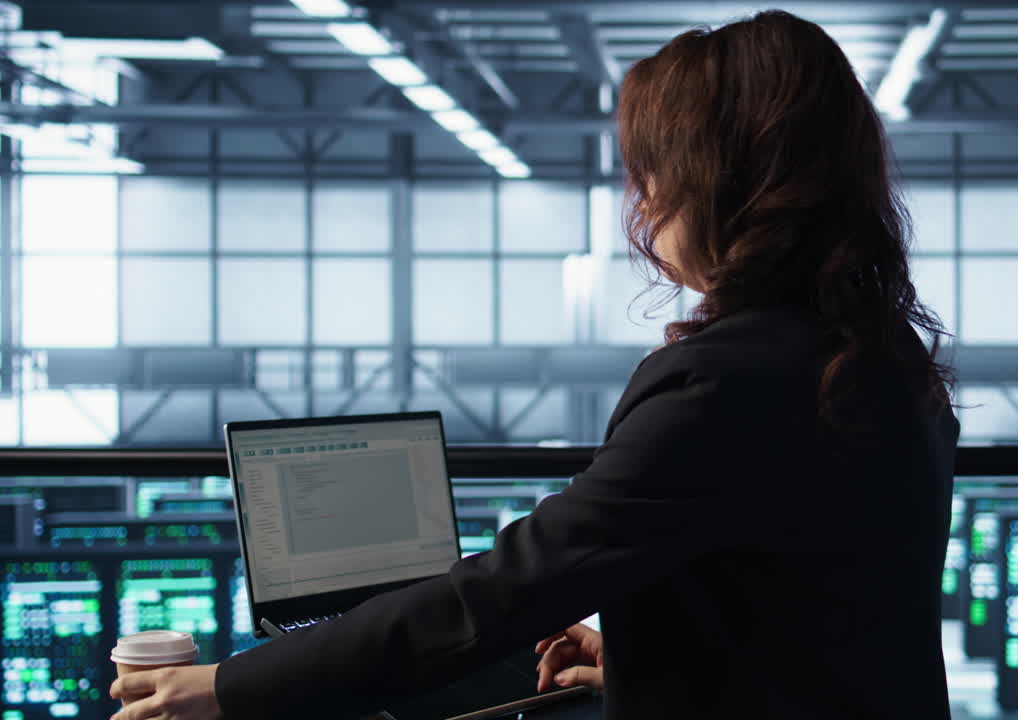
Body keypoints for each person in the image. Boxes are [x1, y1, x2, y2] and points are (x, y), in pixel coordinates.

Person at [109, 10, 958, 720]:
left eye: (655, 171)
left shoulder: (732, 382)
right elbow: (819, 613)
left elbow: (512, 588)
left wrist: (229, 687)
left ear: (723, 181)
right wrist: (642, 662)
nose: (646, 201)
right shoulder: (876, 355)